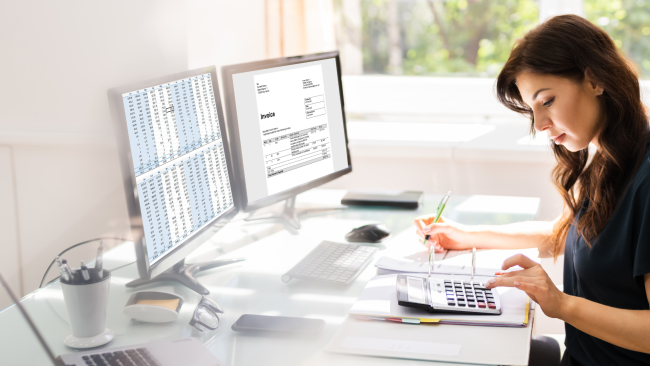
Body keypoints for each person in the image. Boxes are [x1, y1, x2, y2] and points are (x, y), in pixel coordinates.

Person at [415, 14, 650, 366]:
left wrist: (560, 303)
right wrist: (468, 235)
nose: (540, 125)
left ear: (597, 79)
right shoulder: (612, 153)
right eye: (532, 109)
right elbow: (571, 233)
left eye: (548, 101)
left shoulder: (645, 180)